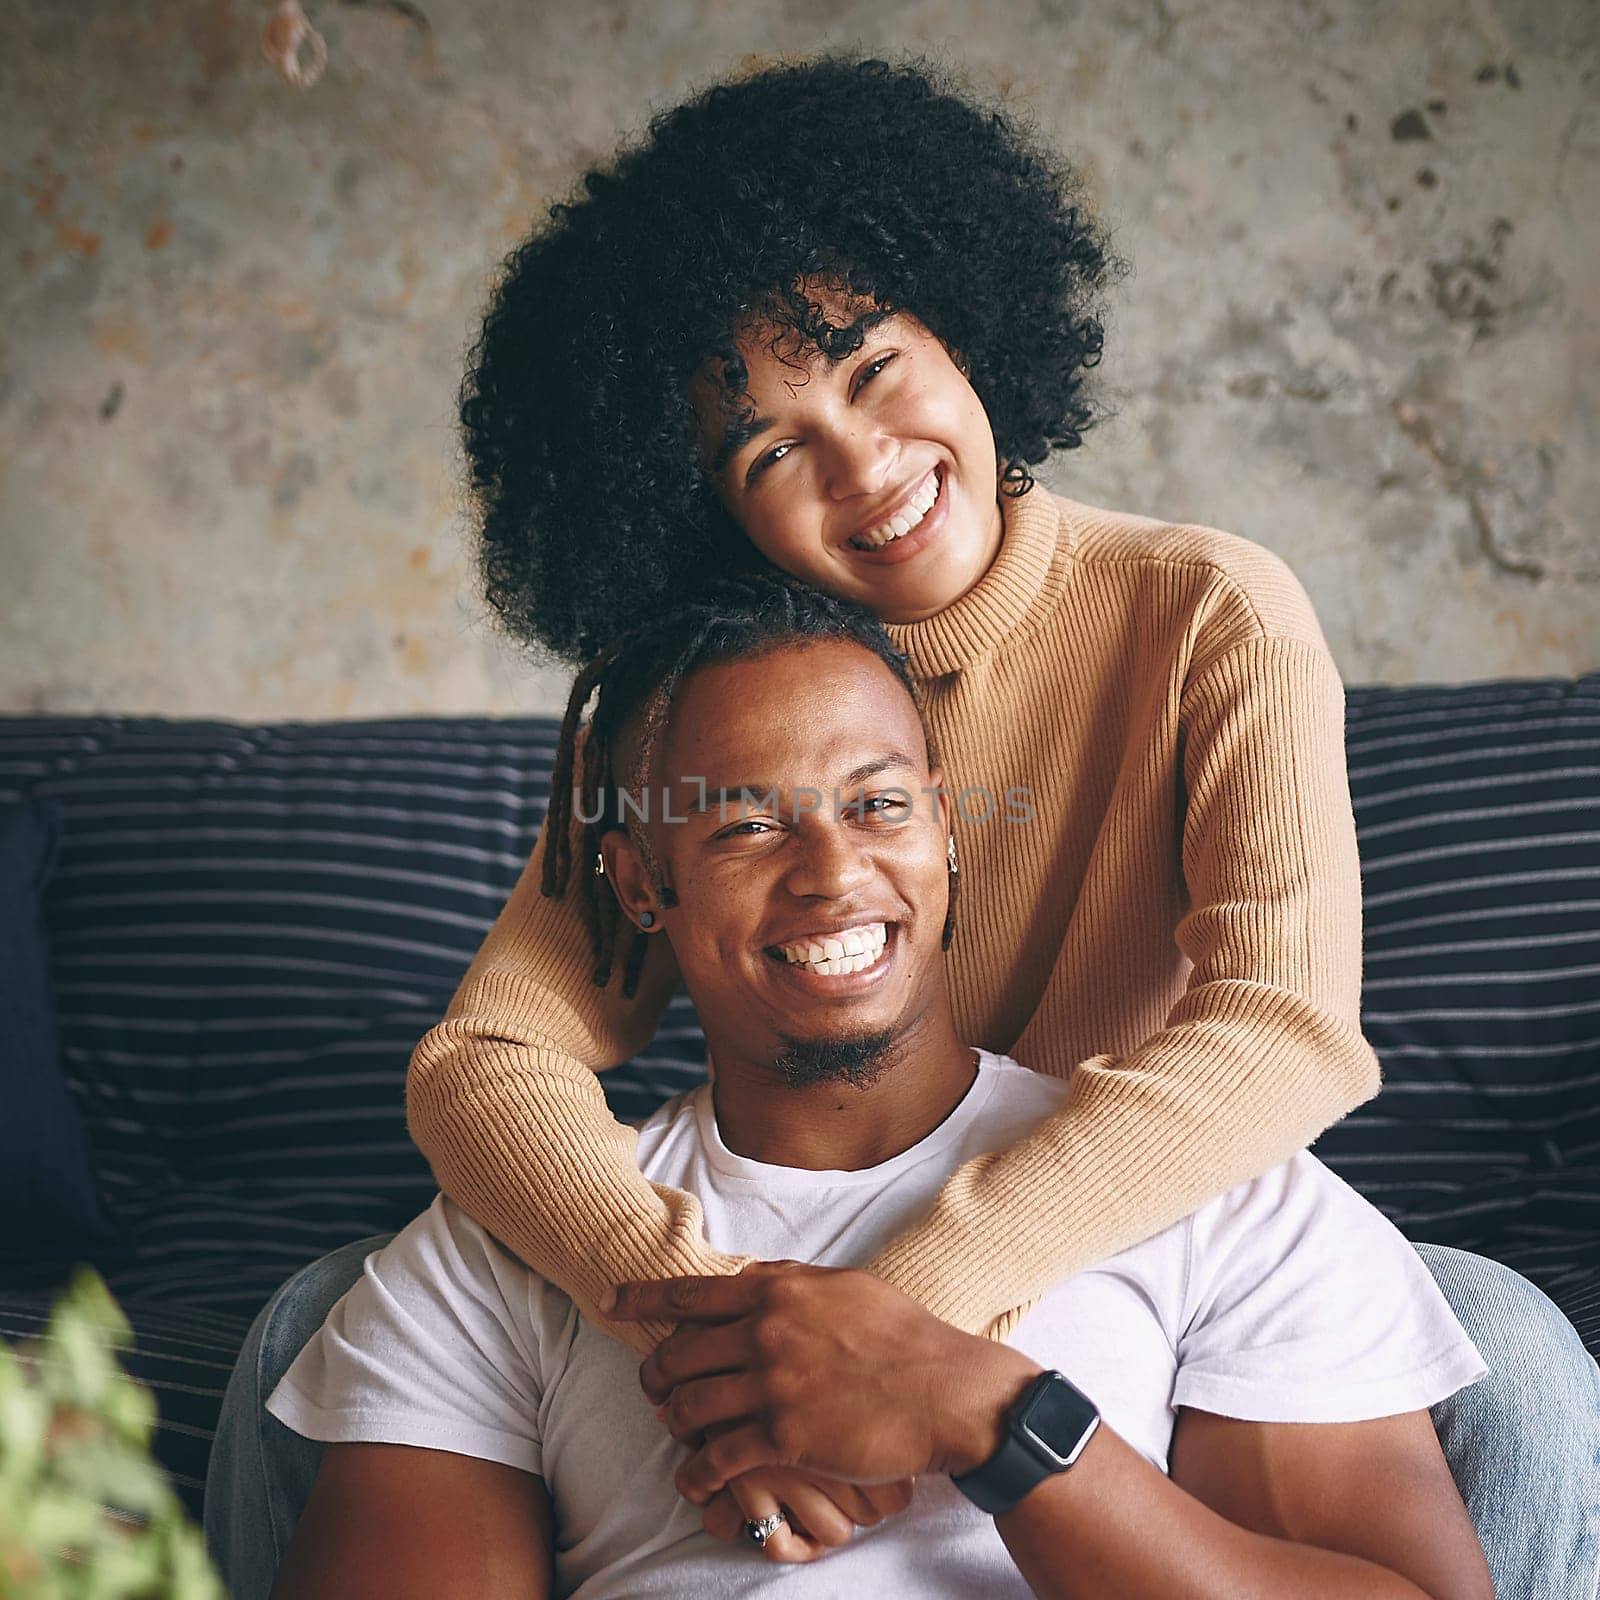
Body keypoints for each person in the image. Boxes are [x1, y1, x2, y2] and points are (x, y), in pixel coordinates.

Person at [202, 51, 1600, 1598]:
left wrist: (908, 1322)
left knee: (1512, 1344)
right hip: (774, 1228)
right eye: (771, 450)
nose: (865, 470)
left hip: (1108, 1226)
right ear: (705, 507)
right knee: (316, 1317)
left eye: (873, 372)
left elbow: (1279, 1027)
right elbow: (487, 1063)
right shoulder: (700, 704)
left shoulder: (1209, 611)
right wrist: (720, 1329)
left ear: (967, 322)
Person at [262, 577, 1494, 1598]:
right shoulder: (516, 1242)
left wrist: (996, 1421)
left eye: (878, 804)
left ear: (948, 829)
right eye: (746, 826)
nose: (832, 871)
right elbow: (478, 1062)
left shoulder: (1218, 1200)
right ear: (639, 883)